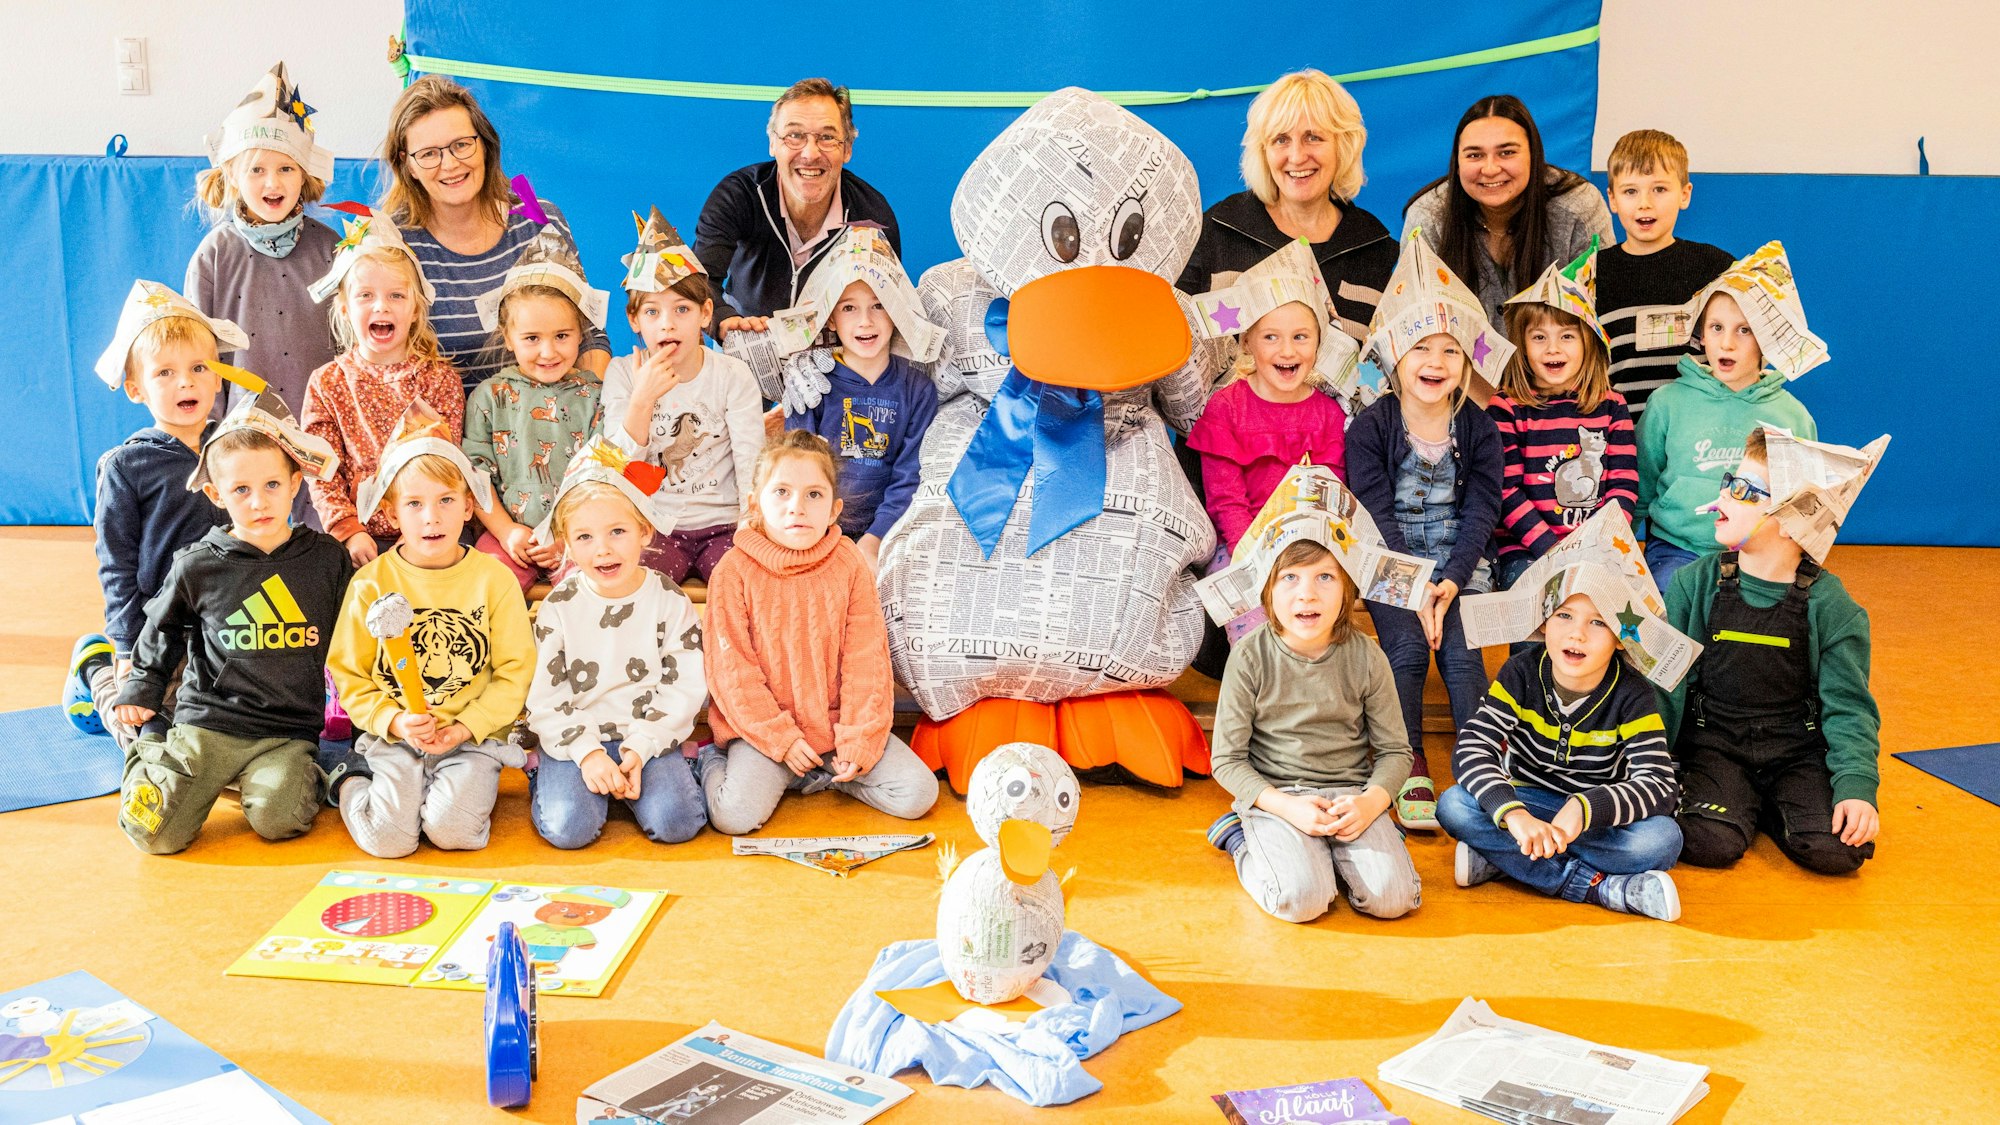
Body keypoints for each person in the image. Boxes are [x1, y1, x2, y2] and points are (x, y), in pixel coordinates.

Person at [110, 396, 351, 854]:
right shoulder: (197, 564)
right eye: (241, 490)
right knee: (153, 833)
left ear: (295, 483)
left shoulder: (326, 560)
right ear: (216, 495)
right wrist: (143, 687)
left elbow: (354, 637)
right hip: (209, 724)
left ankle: (289, 776)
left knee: (281, 819)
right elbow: (161, 630)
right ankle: (152, 745)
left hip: (285, 732)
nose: (259, 502)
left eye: (272, 484)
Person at [1663, 426, 1888, 875]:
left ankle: (1763, 805)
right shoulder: (1694, 584)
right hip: (1714, 746)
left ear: (1792, 520)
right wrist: (1648, 764)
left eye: (1744, 491)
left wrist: (1857, 787)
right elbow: (1665, 686)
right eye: (1729, 482)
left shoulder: (1834, 608)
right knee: (1708, 843)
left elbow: (1849, 708)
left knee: (1836, 851)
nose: (1723, 496)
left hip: (1797, 753)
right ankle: (1740, 803)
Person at [694, 430, 939, 835]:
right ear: (755, 504)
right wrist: (782, 740)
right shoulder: (733, 572)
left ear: (833, 510)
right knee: (734, 816)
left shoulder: (849, 563)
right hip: (765, 735)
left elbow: (866, 660)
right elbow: (732, 673)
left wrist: (858, 740)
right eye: (782, 492)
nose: (797, 507)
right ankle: (717, 762)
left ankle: (821, 776)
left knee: (917, 794)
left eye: (813, 495)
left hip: (834, 730)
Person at [1346, 237, 1509, 828]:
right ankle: (1405, 757)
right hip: (1391, 562)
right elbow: (1374, 512)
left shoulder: (1480, 429)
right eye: (1420, 346)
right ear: (1394, 352)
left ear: (1466, 362)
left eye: (1450, 349)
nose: (1435, 361)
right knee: (1409, 650)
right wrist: (1414, 588)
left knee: (1464, 659)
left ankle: (1478, 768)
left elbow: (1483, 510)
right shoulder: (1371, 427)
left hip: (1461, 564)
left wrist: (1452, 582)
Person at [322, 404, 533, 857]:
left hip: (471, 739)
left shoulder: (494, 580)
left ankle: (439, 793)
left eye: (446, 501)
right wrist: (395, 721)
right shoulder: (370, 584)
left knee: (454, 834)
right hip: (395, 737)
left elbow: (515, 672)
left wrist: (466, 727)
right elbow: (349, 675)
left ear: (469, 506)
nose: (431, 518)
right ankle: (348, 779)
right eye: (414, 504)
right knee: (388, 843)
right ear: (392, 513)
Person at [1438, 582, 1685, 922]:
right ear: (1543, 622)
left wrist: (1585, 808)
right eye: (1564, 615)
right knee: (1453, 805)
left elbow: (1659, 783)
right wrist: (1514, 815)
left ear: (1619, 638)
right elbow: (1472, 747)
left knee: (1662, 840)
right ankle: (1598, 887)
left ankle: (1506, 858)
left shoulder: (1633, 693)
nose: (1577, 634)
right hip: (1528, 804)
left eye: (1598, 622)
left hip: (1592, 822)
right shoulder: (1520, 672)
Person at [1203, 538, 1420, 924]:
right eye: (1290, 577)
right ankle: (1240, 840)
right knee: (1300, 901)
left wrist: (1371, 803)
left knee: (1394, 900)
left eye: (1325, 577)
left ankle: (1357, 845)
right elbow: (1226, 760)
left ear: (1347, 590)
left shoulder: (1368, 656)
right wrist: (1285, 806)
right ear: (1268, 589)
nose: (1307, 593)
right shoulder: (1249, 655)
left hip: (1351, 795)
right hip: (1279, 797)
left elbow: (1395, 751)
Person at [66, 282, 247, 742]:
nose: (186, 381)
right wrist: (127, 646)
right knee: (147, 736)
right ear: (135, 388)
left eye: (198, 367)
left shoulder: (236, 447)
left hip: (229, 623)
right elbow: (116, 564)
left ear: (218, 377)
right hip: (159, 627)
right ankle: (96, 671)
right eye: (164, 372)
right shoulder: (127, 466)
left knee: (227, 728)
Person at [524, 440, 707, 848]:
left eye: (617, 532)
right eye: (585, 537)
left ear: (644, 531)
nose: (603, 548)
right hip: (575, 737)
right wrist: (588, 753)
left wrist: (641, 748)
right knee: (569, 829)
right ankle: (548, 775)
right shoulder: (559, 607)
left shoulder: (669, 600)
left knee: (677, 823)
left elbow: (684, 686)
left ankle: (671, 771)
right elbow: (546, 697)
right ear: (567, 544)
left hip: (649, 735)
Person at [729, 224, 941, 571]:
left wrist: (874, 540)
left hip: (886, 533)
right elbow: (797, 469)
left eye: (879, 305)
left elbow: (909, 476)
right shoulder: (812, 383)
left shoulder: (917, 390)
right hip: (814, 528)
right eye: (849, 308)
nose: (865, 321)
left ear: (896, 311)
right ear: (830, 318)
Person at [185, 62, 341, 531]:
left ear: (304, 175)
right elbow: (198, 353)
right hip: (244, 435)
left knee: (320, 541)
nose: (272, 183)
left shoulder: (331, 248)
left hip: (320, 429)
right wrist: (207, 432)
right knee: (255, 540)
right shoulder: (214, 254)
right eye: (257, 170)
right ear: (233, 175)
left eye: (285, 168)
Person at [378, 76, 609, 391]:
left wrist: (587, 405)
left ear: (485, 145)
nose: (450, 164)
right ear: (408, 165)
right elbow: (376, 360)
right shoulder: (394, 243)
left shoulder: (538, 221)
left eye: (461, 145)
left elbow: (590, 333)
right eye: (429, 154)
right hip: (440, 420)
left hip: (550, 417)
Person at [1636, 242, 1821, 590]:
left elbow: (1804, 508)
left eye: (1744, 330)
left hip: (1758, 552)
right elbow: (1641, 486)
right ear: (1701, 335)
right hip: (1678, 548)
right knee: (1668, 608)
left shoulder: (1793, 417)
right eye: (1717, 328)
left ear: (1766, 340)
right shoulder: (1667, 403)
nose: (1727, 343)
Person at [602, 212, 766, 585]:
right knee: (640, 586)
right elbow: (617, 471)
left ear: (705, 313)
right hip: (653, 526)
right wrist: (642, 399)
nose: (667, 323)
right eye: (652, 311)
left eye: (682, 309)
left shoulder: (732, 375)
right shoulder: (622, 374)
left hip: (725, 526)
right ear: (634, 319)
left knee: (741, 583)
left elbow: (751, 464)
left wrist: (750, 529)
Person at [1178, 69, 1398, 341]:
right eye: (1281, 140)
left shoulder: (1378, 249)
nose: (1297, 156)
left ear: (1343, 146)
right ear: (1263, 151)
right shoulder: (1218, 228)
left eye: (1313, 137)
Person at [302, 213, 465, 566]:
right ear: (344, 309)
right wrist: (348, 530)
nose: (381, 306)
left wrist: (420, 534)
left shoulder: (439, 380)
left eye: (396, 295)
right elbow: (321, 470)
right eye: (365, 295)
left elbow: (444, 465)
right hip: (358, 540)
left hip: (430, 534)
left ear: (415, 309)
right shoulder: (327, 383)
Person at [1402, 95, 1613, 358]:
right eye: (1475, 155)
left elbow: (1602, 318)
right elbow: (1414, 332)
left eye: (1507, 152)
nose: (1490, 169)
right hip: (1460, 380)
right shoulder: (1428, 218)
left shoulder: (1579, 207)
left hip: (1561, 377)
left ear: (1533, 155)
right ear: (1457, 163)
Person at [1187, 239, 1359, 555]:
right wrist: (1254, 558)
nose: (1287, 351)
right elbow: (1226, 501)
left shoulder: (1329, 413)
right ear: (1247, 342)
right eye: (1270, 337)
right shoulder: (1226, 408)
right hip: (1244, 545)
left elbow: (1330, 497)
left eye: (1300, 337)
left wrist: (1307, 555)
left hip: (1309, 546)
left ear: (1318, 342)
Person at [461, 227, 608, 591]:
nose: (548, 351)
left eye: (562, 336)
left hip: (582, 536)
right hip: (509, 537)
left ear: (581, 332)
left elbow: (603, 477)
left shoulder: (596, 396)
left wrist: (569, 536)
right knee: (485, 586)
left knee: (592, 589)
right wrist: (507, 531)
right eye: (531, 338)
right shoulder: (488, 398)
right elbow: (475, 477)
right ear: (508, 338)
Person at [693, 78, 901, 333]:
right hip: (744, 336)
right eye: (794, 136)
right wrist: (723, 319)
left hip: (833, 350)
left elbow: (887, 304)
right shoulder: (739, 194)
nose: (810, 154)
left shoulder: (872, 216)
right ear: (773, 143)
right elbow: (699, 280)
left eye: (827, 137)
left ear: (847, 149)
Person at [1488, 240, 1637, 591]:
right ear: (1522, 345)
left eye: (1567, 336)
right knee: (1540, 596)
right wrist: (1552, 549)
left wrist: (1597, 545)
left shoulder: (1612, 407)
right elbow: (1506, 492)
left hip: (1598, 548)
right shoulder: (1507, 409)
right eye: (1539, 337)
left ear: (1588, 342)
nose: (1553, 348)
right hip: (1527, 550)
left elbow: (1624, 486)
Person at [1595, 130, 1734, 420]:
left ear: (1684, 194)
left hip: (1699, 430)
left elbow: (1747, 353)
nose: (1644, 203)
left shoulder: (1716, 268)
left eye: (1659, 189)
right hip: (1621, 433)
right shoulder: (1591, 275)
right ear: (1612, 199)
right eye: (1630, 191)